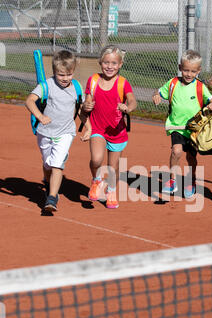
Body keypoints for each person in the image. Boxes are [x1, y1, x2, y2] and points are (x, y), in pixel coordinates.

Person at [26, 50, 90, 212]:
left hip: (65, 133)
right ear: (54, 72)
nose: (65, 78)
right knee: (48, 164)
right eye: (61, 75)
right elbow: (29, 101)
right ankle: (49, 185)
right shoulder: (46, 85)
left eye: (69, 74)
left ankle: (52, 198)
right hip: (45, 132)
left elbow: (80, 109)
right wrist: (40, 116)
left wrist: (88, 127)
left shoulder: (76, 87)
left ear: (73, 72)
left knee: (57, 164)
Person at [152, 49, 212, 198]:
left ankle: (191, 180)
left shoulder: (200, 87)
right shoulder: (173, 83)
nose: (189, 74)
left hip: (194, 128)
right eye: (186, 70)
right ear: (180, 67)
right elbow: (158, 93)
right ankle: (172, 180)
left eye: (193, 71)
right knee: (176, 151)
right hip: (176, 126)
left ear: (198, 71)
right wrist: (156, 96)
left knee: (191, 157)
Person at [82, 45, 137, 209]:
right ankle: (96, 180)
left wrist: (128, 108)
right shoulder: (93, 80)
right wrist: (86, 105)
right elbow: (87, 101)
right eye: (106, 62)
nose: (110, 66)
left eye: (114, 63)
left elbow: (133, 101)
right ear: (100, 62)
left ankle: (111, 191)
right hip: (97, 128)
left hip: (117, 131)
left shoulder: (122, 83)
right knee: (96, 159)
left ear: (120, 64)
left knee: (113, 166)